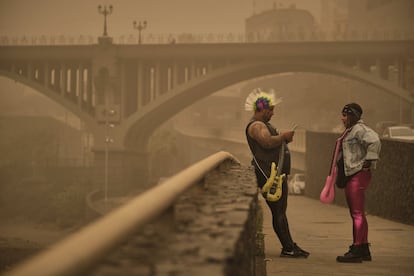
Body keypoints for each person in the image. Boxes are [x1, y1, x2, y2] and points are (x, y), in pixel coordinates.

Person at [244, 89, 309, 258]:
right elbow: (266, 142)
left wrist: (283, 138)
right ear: (261, 109)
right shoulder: (257, 125)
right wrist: (283, 136)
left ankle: (289, 245)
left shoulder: (264, 125)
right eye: (270, 110)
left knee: (280, 211)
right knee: (278, 211)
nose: (273, 113)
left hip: (275, 175)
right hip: (269, 176)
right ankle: (288, 248)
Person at [335, 103, 381, 263]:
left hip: (357, 174)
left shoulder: (360, 130)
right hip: (353, 174)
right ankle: (364, 249)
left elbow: (374, 141)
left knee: (357, 214)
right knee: (358, 213)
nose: (342, 118)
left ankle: (357, 249)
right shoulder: (351, 131)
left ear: (353, 116)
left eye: (345, 115)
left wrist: (369, 161)